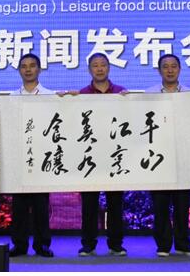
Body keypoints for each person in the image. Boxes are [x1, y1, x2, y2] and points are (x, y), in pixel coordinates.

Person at [145, 54, 190, 257]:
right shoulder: (149, 94)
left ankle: (182, 244)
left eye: (173, 66)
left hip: (183, 154)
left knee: (181, 203)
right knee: (160, 203)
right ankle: (163, 245)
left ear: (179, 69)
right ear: (159, 70)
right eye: (165, 67)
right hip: (158, 155)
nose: (170, 70)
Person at [77, 52, 128, 257]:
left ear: (109, 67)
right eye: (95, 65)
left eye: (103, 65)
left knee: (115, 202)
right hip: (90, 155)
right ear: (89, 69)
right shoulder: (82, 94)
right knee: (89, 203)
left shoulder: (121, 93)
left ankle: (116, 244)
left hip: (115, 155)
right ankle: (88, 244)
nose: (99, 69)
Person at [8, 53, 55, 258]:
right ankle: (19, 244)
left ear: (39, 69)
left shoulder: (49, 96)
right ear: (19, 70)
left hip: (42, 156)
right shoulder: (11, 98)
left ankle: (42, 244)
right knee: (19, 205)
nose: (28, 70)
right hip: (18, 156)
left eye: (32, 66)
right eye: (24, 66)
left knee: (40, 204)